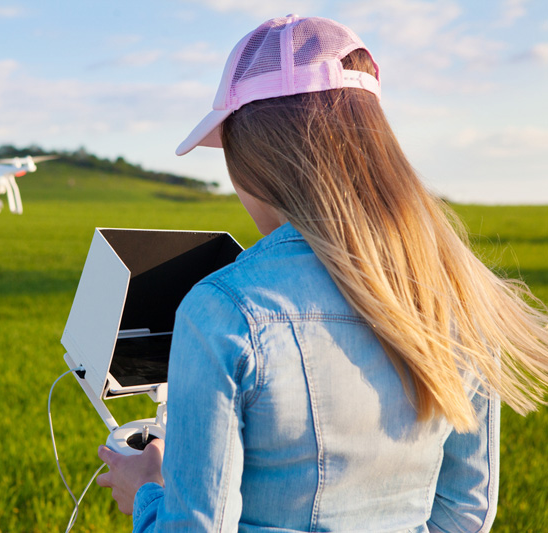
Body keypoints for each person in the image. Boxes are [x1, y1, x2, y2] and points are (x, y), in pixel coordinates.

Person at [96, 15, 548, 532]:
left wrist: (149, 491)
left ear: (252, 153)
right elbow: (466, 513)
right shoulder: (463, 294)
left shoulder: (224, 308)